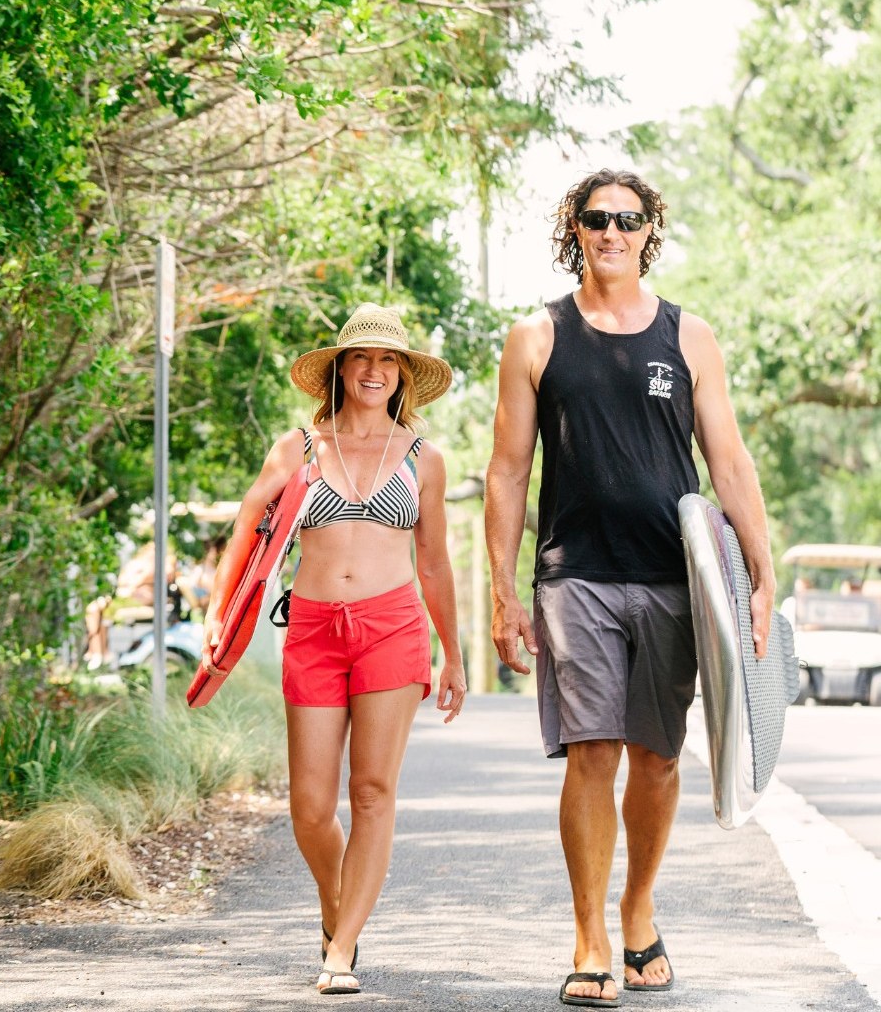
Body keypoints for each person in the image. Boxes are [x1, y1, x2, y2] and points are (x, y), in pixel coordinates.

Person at [484, 170, 776, 1008]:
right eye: (596, 218)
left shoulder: (690, 337)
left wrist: (761, 577)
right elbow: (507, 473)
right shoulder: (537, 337)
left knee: (657, 759)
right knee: (593, 751)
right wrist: (503, 594)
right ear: (574, 229)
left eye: (628, 218)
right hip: (574, 573)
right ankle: (590, 939)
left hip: (675, 578)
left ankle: (637, 906)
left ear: (650, 231)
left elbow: (729, 463)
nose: (612, 231)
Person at [200, 302, 466, 996]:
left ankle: (341, 950)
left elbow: (434, 563)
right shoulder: (298, 448)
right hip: (314, 629)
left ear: (403, 374)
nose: (374, 371)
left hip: (392, 628)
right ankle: (335, 904)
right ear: (341, 369)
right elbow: (249, 521)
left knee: (372, 792)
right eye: (361, 358)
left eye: (388, 360)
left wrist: (454, 655)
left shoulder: (423, 458)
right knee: (311, 808)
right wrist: (218, 611)